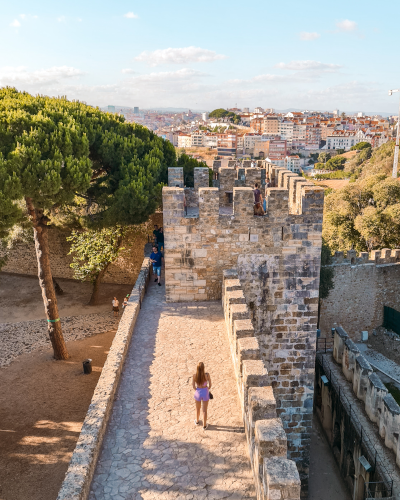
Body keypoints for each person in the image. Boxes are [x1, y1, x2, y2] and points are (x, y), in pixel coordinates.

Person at [192, 362, 212, 430]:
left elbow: (194, 386)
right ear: (203, 368)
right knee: (204, 410)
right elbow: (210, 385)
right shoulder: (207, 375)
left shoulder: (195, 376)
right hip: (205, 392)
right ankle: (204, 425)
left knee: (197, 408)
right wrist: (207, 388)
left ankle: (197, 421)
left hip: (198, 392)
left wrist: (198, 390)